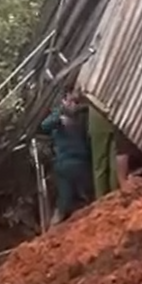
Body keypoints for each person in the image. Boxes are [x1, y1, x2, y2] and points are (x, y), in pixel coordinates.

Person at [38, 92, 94, 223]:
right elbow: (44, 125)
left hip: (78, 162)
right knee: (68, 199)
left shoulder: (81, 115)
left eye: (75, 102)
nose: (73, 104)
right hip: (67, 162)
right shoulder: (58, 116)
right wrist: (59, 118)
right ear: (63, 101)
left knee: (70, 199)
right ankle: (51, 234)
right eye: (70, 101)